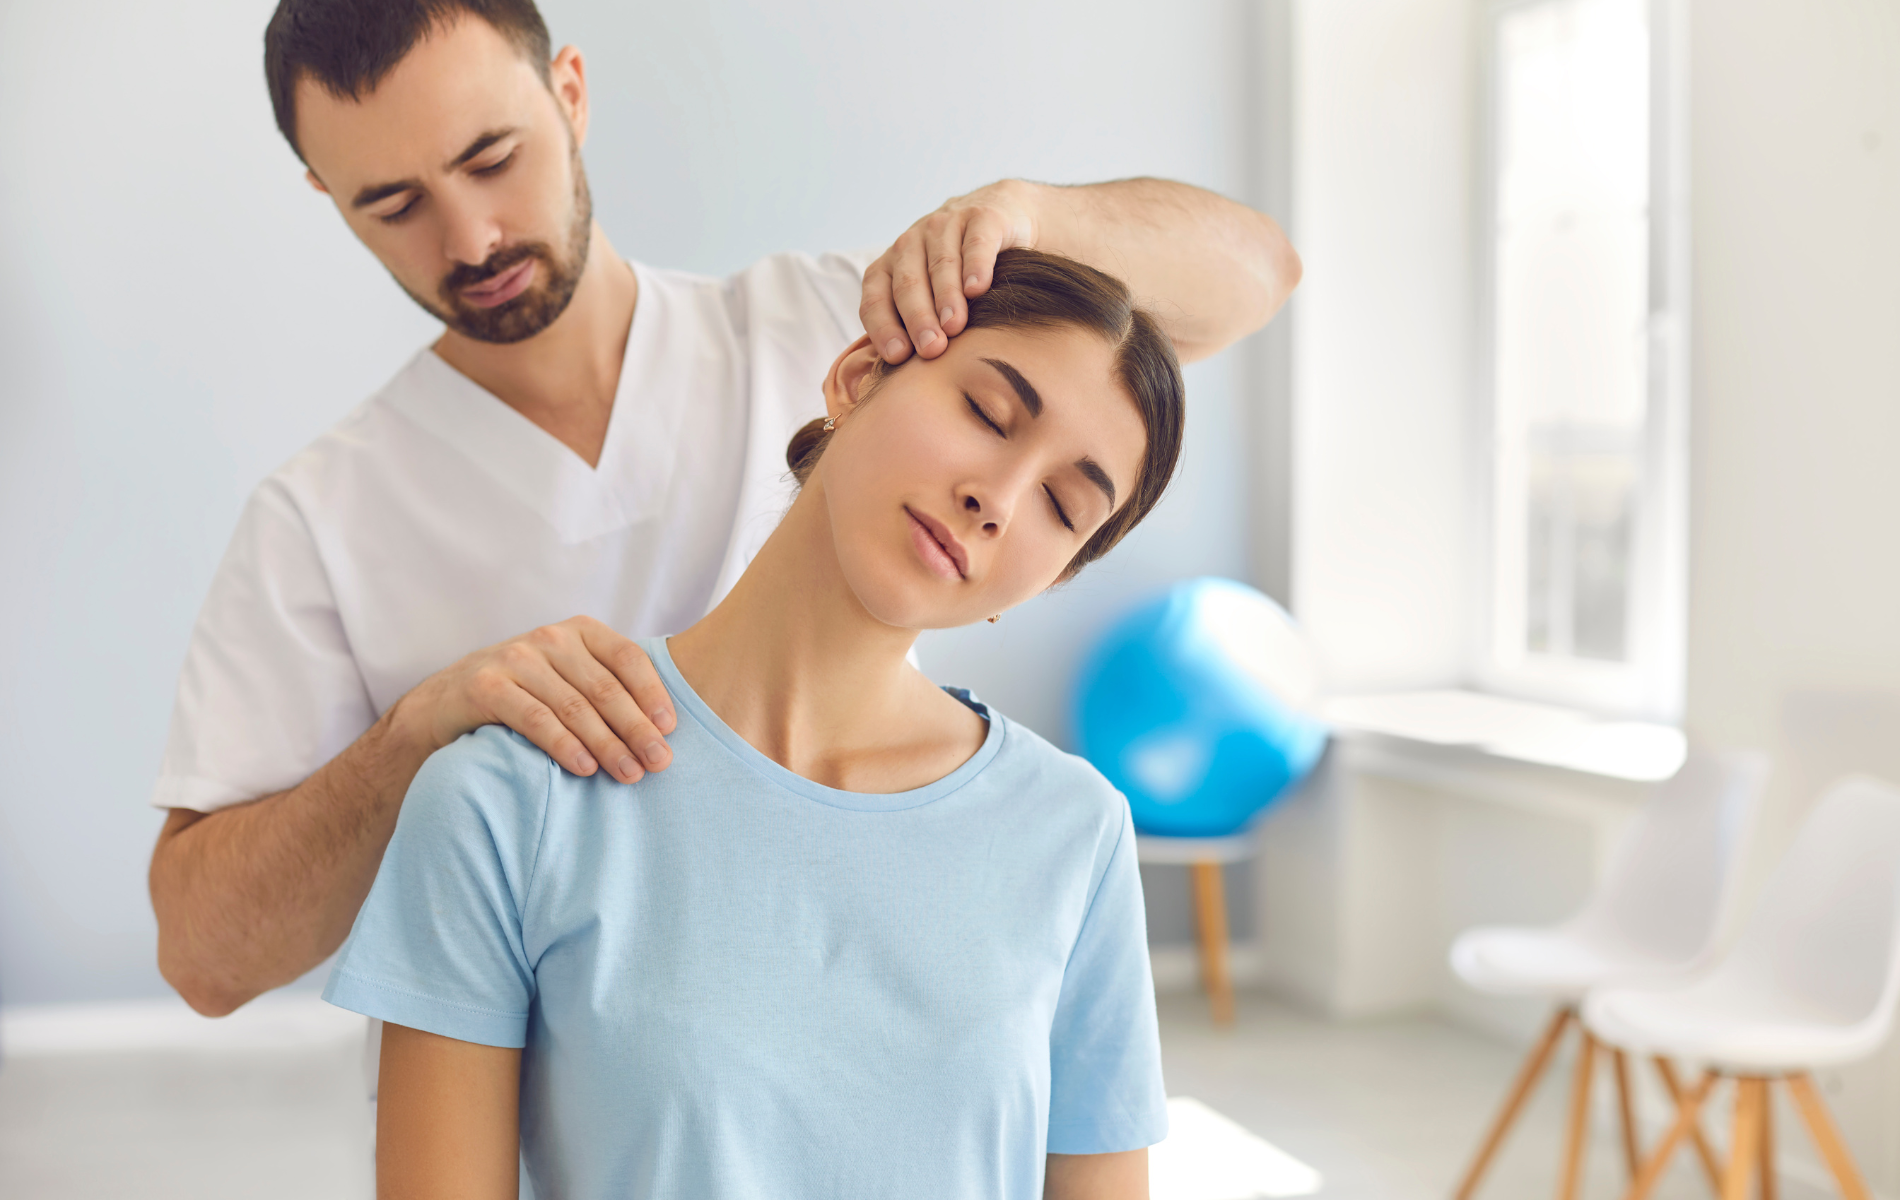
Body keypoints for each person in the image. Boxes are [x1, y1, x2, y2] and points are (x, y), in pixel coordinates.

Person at [147, 0, 1302, 1020]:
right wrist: (414, 741)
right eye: (392, 203)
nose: (472, 238)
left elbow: (1249, 278)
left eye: (491, 157)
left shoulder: (842, 325)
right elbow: (204, 959)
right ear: (325, 195)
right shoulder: (320, 517)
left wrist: (1025, 215)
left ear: (570, 92)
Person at [325, 249, 1179, 1200]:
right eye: (986, 413)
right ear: (858, 378)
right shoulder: (511, 799)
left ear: (1051, 576)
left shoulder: (1075, 834)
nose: (999, 500)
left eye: (1062, 507)